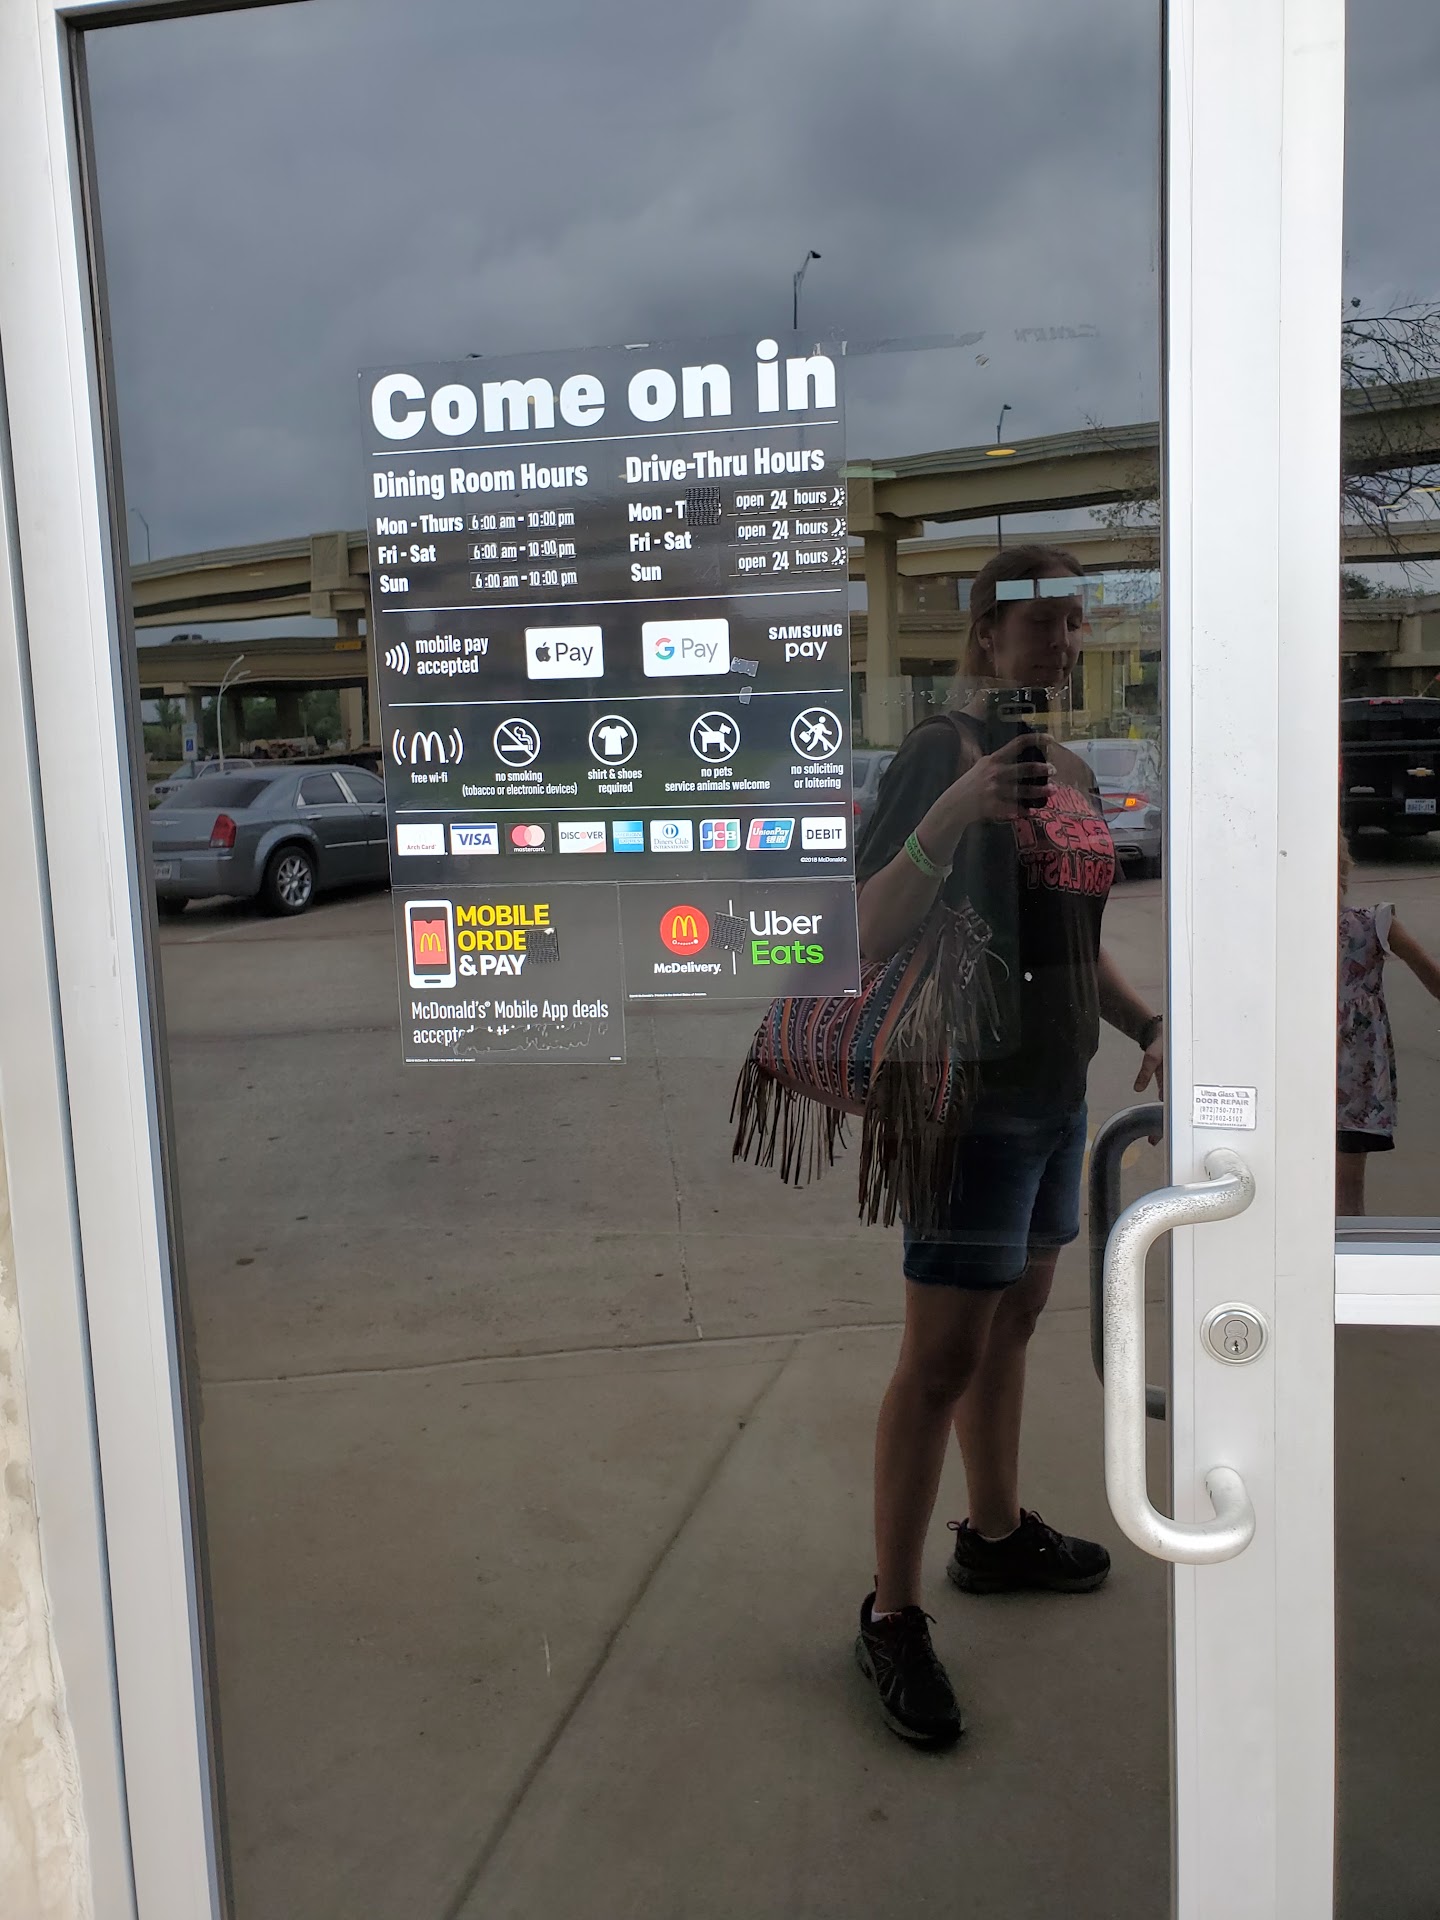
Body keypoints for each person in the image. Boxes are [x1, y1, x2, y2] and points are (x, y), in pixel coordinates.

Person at [851, 544, 1163, 1748]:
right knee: (938, 1358)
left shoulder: (1068, 768)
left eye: (1079, 622)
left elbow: (1073, 943)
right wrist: (952, 813)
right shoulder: (942, 751)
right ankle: (891, 1615)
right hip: (968, 1104)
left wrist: (1145, 1022)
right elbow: (864, 929)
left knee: (1016, 1323)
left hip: (1054, 1096)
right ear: (986, 633)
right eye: (1045, 622)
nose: (1067, 642)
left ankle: (992, 1536)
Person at [1336, 840, 1440, 1216]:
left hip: (1346, 1083)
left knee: (1335, 1183)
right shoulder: (1370, 924)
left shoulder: (1374, 924)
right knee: (1340, 1186)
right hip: (1339, 1080)